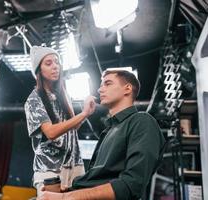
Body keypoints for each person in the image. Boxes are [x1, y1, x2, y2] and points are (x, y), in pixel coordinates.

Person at [38, 69, 166, 200]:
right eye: (101, 85)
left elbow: (131, 186)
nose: (100, 90)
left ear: (127, 89)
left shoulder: (142, 121)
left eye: (108, 83)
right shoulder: (108, 131)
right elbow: (95, 182)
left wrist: (65, 197)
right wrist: (66, 191)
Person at [24, 46, 96, 196]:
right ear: (39, 70)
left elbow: (73, 127)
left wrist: (86, 113)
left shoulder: (64, 95)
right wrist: (83, 113)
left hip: (74, 167)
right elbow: (50, 132)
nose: (55, 66)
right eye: (48, 63)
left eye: (56, 62)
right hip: (49, 169)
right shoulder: (34, 99)